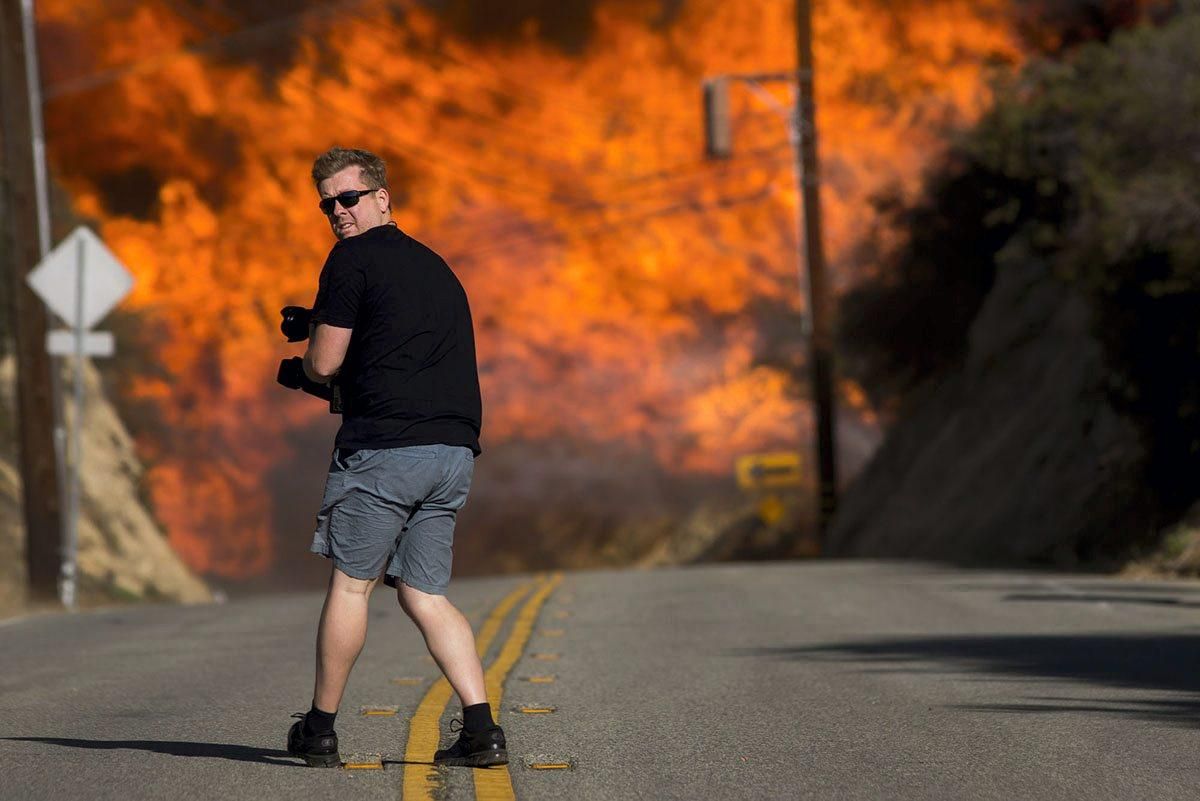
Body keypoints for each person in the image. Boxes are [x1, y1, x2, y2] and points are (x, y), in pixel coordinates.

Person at [278, 146, 504, 768]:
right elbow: (396, 349)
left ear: (382, 196)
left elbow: (325, 363)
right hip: (452, 452)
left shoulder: (351, 259)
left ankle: (319, 728)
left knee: (353, 586)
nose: (337, 212)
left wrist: (300, 370)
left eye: (348, 198)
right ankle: (482, 730)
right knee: (425, 593)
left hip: (386, 451)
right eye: (327, 204)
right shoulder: (435, 267)